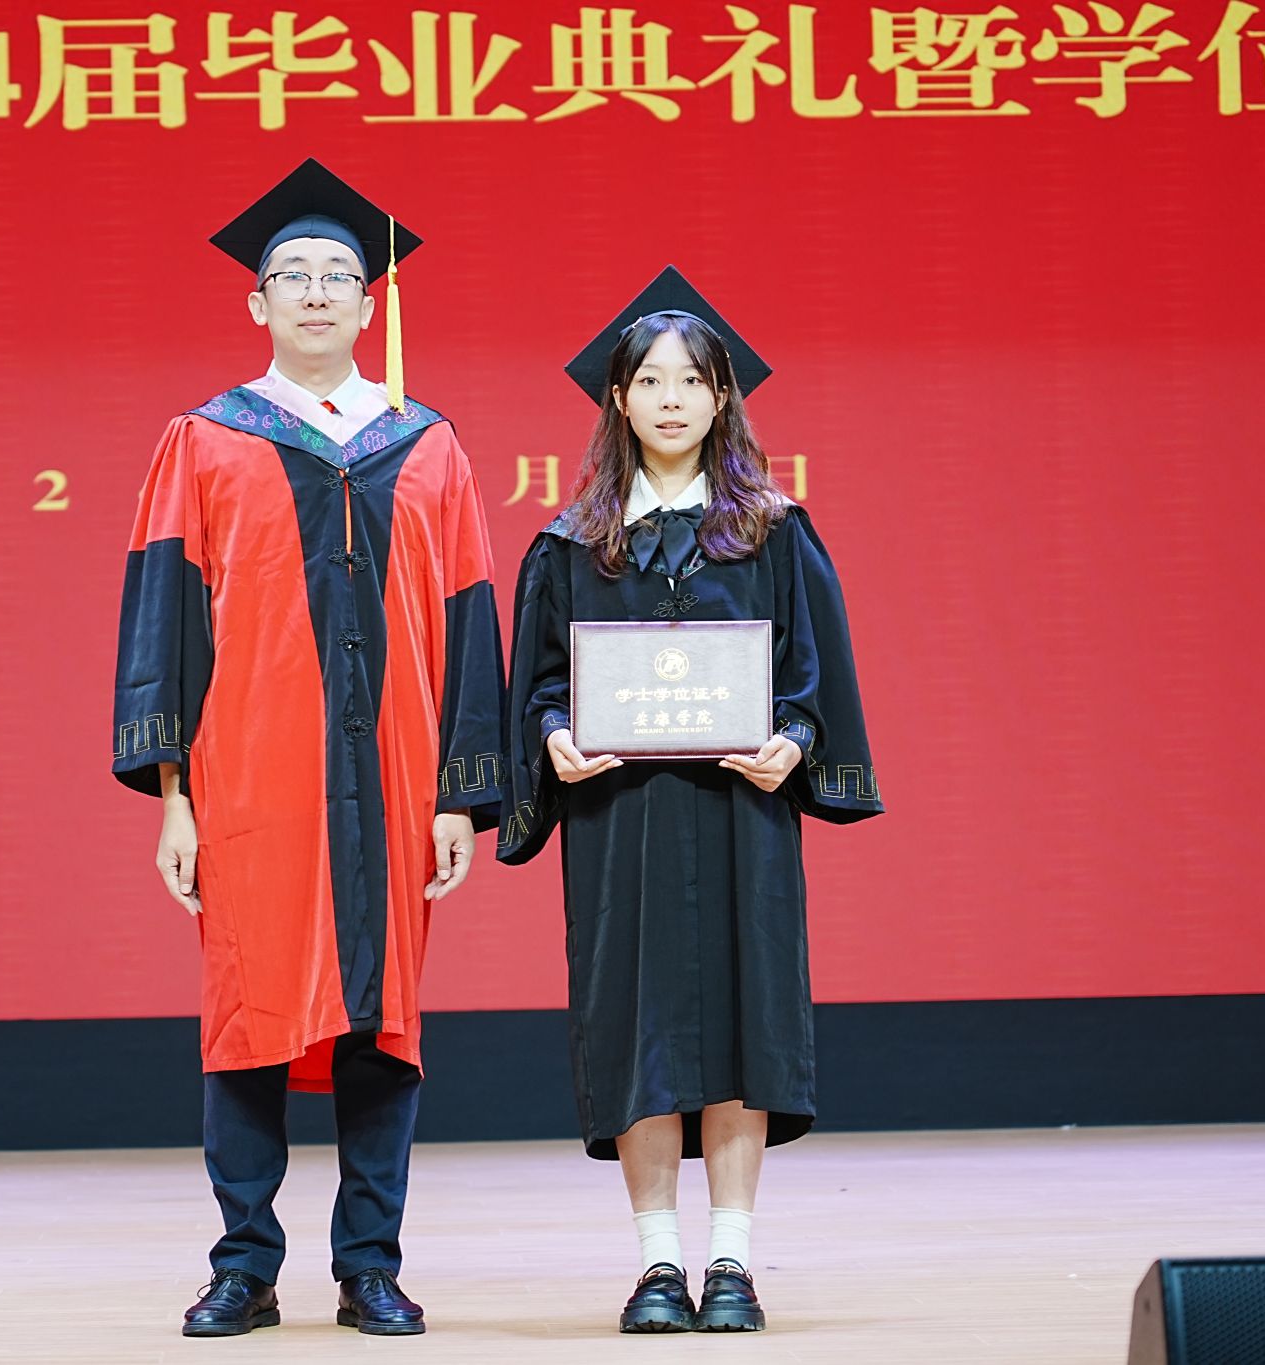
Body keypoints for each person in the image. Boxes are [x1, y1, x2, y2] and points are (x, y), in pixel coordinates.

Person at [111, 159, 505, 1338]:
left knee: (383, 1019)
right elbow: (165, 624)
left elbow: (467, 622)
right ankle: (243, 1265)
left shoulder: (427, 445)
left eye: (339, 274)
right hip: (248, 776)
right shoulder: (204, 439)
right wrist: (173, 797)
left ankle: (368, 1265)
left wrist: (460, 793)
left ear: (369, 304)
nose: (318, 292)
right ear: (258, 301)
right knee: (245, 1011)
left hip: (395, 774)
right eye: (294, 275)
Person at [498, 267, 883, 1334]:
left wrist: (794, 740)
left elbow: (812, 675)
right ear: (618, 400)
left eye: (692, 381)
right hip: (618, 822)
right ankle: (658, 1264)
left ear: (722, 398)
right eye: (651, 381)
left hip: (738, 818)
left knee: (741, 1028)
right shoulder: (574, 542)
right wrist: (553, 735)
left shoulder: (771, 530)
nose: (671, 399)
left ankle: (732, 1264)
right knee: (638, 1030)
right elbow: (537, 686)